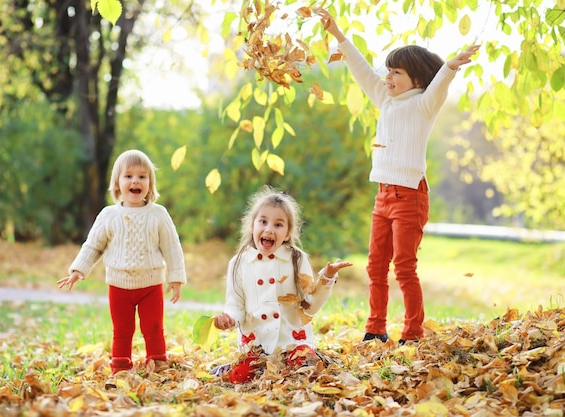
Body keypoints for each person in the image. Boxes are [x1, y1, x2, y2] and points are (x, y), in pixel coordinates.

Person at [318, 9, 480, 345]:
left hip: (410, 196)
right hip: (383, 196)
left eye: (396, 72)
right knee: (375, 267)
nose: (387, 78)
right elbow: (362, 70)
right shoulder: (385, 101)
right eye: (388, 71)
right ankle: (375, 329)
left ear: (417, 80)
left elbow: (439, 85)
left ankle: (412, 333)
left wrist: (450, 66)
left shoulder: (423, 105)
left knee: (404, 268)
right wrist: (337, 34)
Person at [57, 149, 187, 375]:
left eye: (142, 176)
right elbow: (93, 245)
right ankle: (120, 366)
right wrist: (78, 270)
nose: (135, 181)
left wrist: (175, 278)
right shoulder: (109, 215)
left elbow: (172, 247)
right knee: (123, 329)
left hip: (151, 285)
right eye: (128, 176)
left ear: (150, 183)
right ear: (117, 184)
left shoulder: (158, 214)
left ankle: (157, 362)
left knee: (153, 327)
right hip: (119, 286)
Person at [212, 186, 352, 383]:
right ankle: (232, 367)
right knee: (240, 378)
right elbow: (236, 304)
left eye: (278, 225)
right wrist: (229, 319)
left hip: (292, 341)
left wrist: (326, 278)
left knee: (307, 373)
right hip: (257, 345)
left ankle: (300, 360)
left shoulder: (296, 259)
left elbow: (310, 306)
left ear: (287, 233)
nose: (269, 229)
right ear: (252, 226)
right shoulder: (239, 263)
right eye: (263, 221)